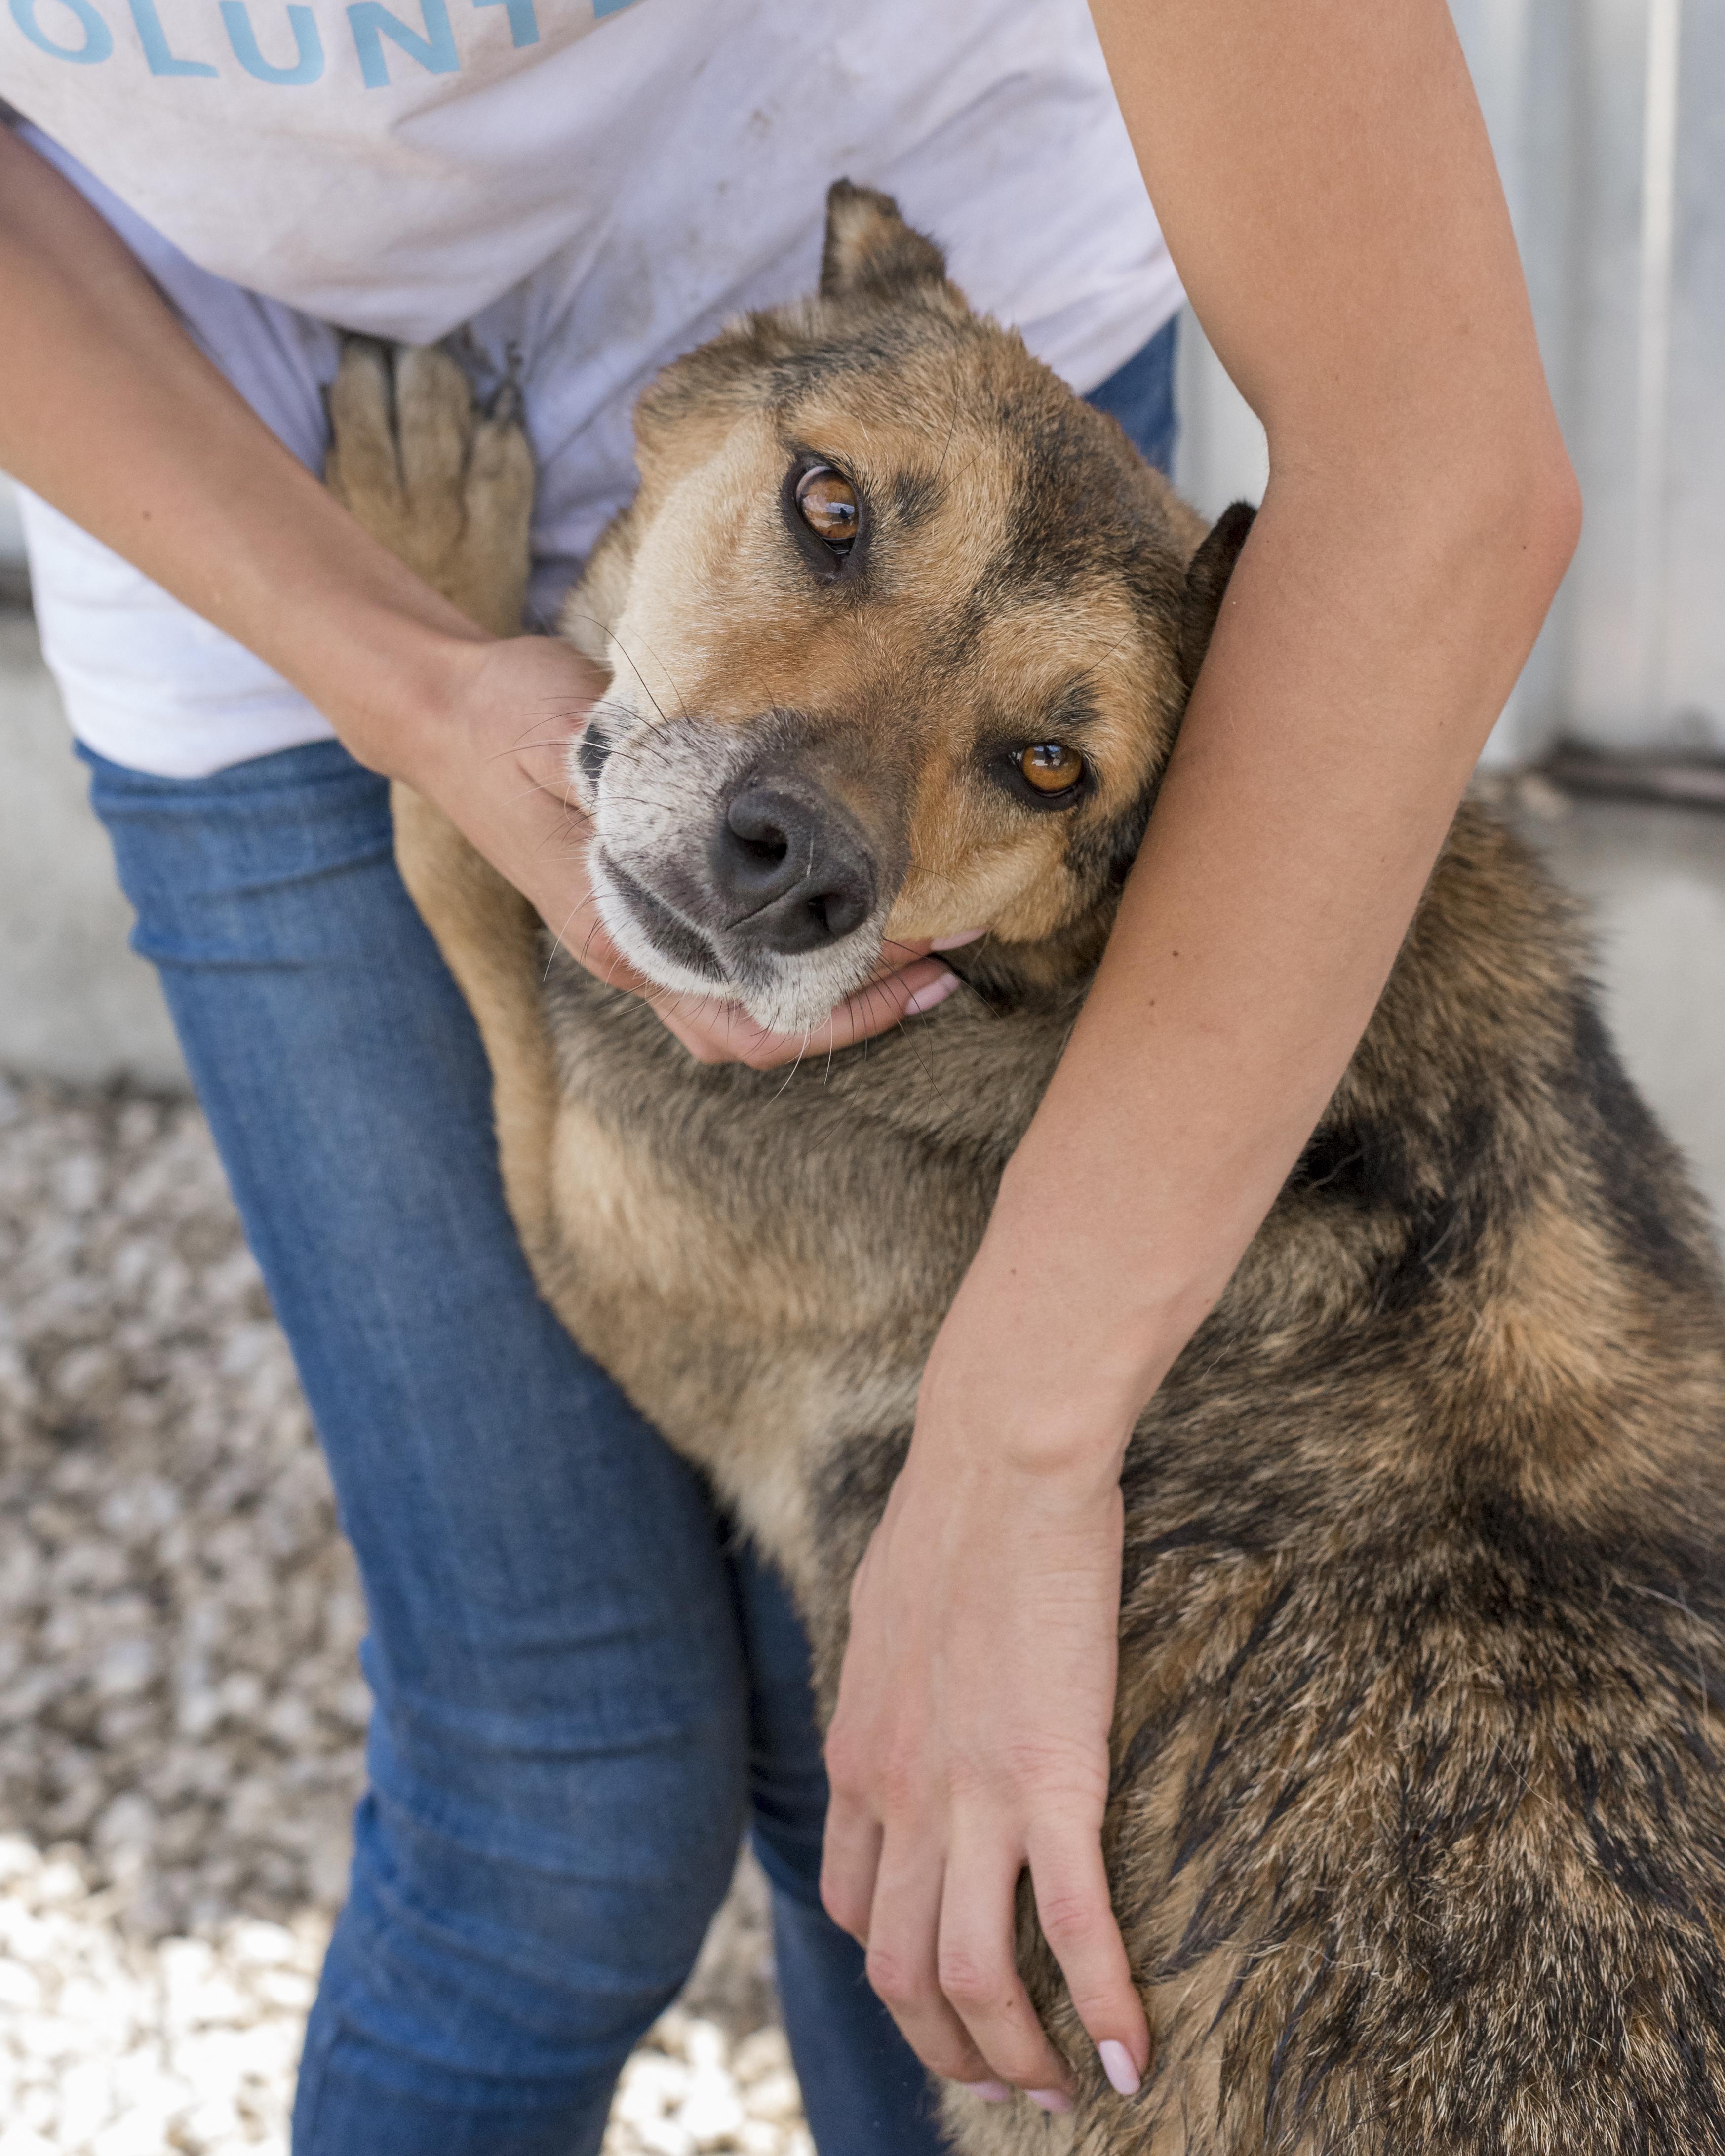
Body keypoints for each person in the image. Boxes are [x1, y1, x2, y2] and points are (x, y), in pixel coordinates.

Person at [0, 0, 1578, 2147]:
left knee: (903, 1816)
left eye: (1036, 767)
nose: (802, 809)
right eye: (831, 527)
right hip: (211, 403)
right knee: (556, 1815)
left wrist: (1015, 1455)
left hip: (928, 293)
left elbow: (1440, 469)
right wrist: (413, 683)